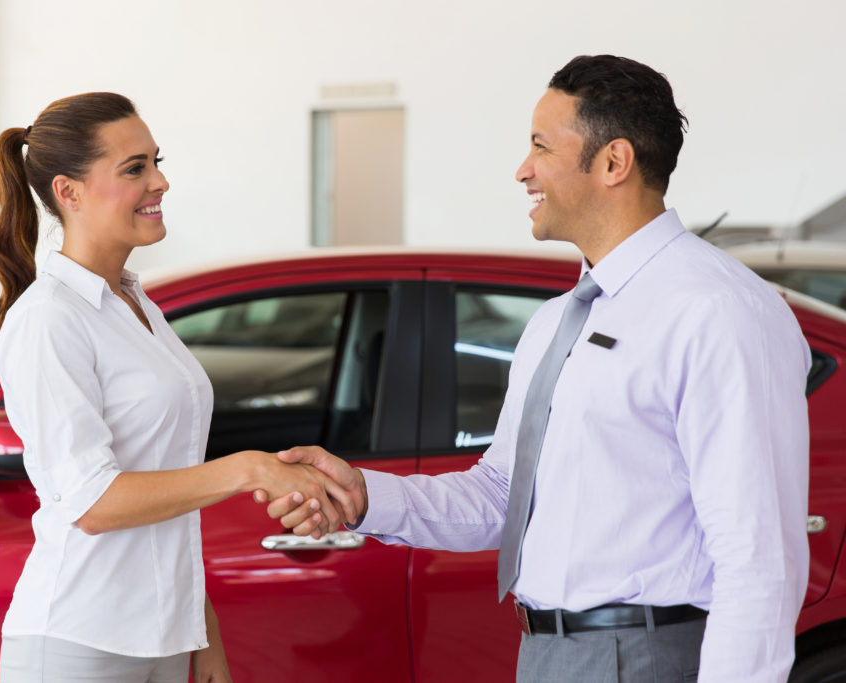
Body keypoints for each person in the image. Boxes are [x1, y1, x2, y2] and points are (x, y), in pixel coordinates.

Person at [260, 55, 811, 682]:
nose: (523, 171)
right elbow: (503, 496)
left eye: (541, 147)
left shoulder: (719, 311)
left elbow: (758, 559)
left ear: (613, 162)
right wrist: (365, 495)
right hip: (549, 652)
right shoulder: (558, 319)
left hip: (646, 658)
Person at [0, 92, 354, 683]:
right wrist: (251, 468)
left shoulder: (135, 301)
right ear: (68, 192)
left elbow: (169, 498)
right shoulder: (49, 318)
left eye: (157, 161)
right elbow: (93, 502)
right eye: (135, 168)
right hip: (80, 644)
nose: (160, 182)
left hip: (161, 638)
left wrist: (200, 631)